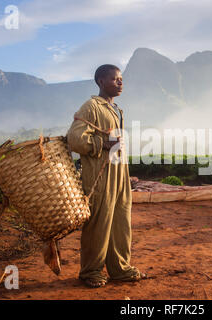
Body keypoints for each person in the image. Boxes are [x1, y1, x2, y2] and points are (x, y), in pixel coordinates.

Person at [66, 64, 146, 288]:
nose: (120, 82)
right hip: (99, 177)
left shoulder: (116, 109)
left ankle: (120, 269)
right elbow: (74, 139)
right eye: (114, 79)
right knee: (99, 223)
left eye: (121, 79)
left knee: (121, 221)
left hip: (119, 174)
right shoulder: (91, 106)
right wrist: (103, 144)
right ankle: (90, 271)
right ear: (101, 81)